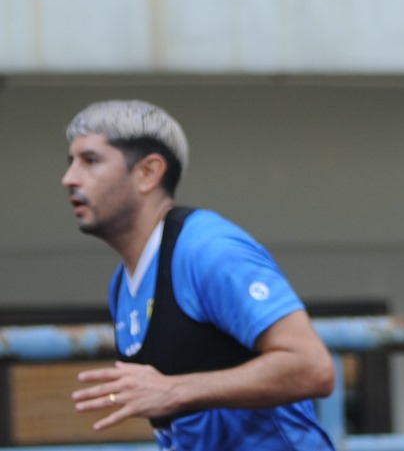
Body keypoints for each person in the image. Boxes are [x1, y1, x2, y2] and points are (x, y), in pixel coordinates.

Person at [61, 99, 337, 450]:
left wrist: (174, 390)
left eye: (90, 160)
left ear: (148, 172)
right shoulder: (122, 283)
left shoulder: (207, 249)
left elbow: (312, 367)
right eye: (70, 162)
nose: (69, 178)